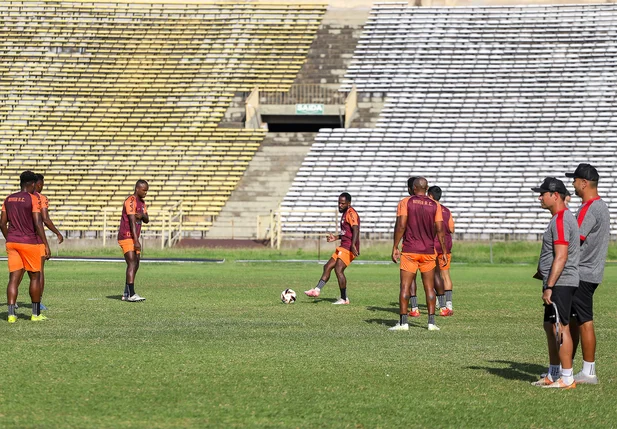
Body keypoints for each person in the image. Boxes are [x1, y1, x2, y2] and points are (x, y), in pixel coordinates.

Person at [531, 177, 579, 389]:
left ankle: (567, 378)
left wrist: (550, 285)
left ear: (555, 195)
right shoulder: (559, 218)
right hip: (557, 281)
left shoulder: (561, 219)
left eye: (543, 193)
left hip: (560, 282)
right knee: (550, 326)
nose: (539, 197)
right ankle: (554, 373)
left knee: (561, 328)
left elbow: (561, 256)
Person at [566, 163, 610, 384]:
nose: (572, 184)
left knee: (584, 321)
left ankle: (588, 371)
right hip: (592, 271)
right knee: (576, 321)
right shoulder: (601, 206)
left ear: (584, 183)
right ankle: (569, 367)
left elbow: (575, 240)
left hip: (581, 273)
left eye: (574, 180)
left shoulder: (588, 208)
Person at [389, 177, 447, 331]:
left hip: (410, 250)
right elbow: (440, 230)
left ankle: (403, 323)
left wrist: (395, 246)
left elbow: (401, 225)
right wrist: (444, 251)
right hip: (428, 251)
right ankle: (431, 323)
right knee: (429, 287)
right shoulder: (435, 205)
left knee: (405, 287)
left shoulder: (405, 202)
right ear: (426, 187)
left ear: (414, 188)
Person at [0, 171, 51, 322]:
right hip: (29, 242)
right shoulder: (33, 199)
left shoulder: (8, 199)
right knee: (35, 277)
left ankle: (11, 315)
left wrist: (9, 237)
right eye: (35, 184)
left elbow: (2, 223)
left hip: (12, 242)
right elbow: (37, 223)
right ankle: (35, 314)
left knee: (13, 279)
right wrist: (46, 244)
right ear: (31, 184)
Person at [305, 192, 360, 305]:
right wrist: (336, 237)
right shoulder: (345, 213)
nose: (340, 205)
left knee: (338, 269)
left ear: (349, 203)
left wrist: (353, 245)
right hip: (343, 246)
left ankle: (344, 299)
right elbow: (347, 233)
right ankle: (317, 290)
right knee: (327, 266)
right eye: (339, 203)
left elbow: (356, 229)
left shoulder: (351, 213)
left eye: (342, 203)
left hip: (349, 248)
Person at [33, 174, 64, 310]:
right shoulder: (41, 198)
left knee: (17, 272)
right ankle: (38, 302)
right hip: (36, 239)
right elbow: (45, 219)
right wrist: (57, 233)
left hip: (19, 239)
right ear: (39, 184)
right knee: (39, 272)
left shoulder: (17, 198)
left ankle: (12, 302)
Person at [118, 180, 149, 302]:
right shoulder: (130, 201)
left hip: (134, 237)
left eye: (147, 190)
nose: (145, 192)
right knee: (131, 263)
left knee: (136, 264)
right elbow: (131, 221)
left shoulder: (142, 202)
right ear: (137, 189)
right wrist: (136, 241)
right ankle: (131, 294)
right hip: (126, 236)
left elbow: (147, 219)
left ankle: (126, 293)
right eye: (144, 190)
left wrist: (142, 215)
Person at [428, 185, 454, 316]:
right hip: (445, 246)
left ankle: (440, 301)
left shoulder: (429, 209)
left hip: (432, 245)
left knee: (433, 275)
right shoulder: (446, 210)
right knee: (445, 275)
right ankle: (449, 304)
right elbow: (452, 228)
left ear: (431, 196)